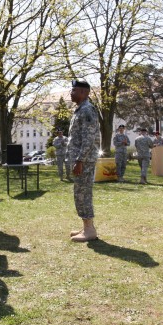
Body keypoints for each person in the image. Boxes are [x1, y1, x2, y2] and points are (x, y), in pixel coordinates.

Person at [67, 79, 100, 243]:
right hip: (81, 159)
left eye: (74, 90)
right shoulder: (80, 110)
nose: (71, 93)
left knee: (83, 194)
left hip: (84, 160)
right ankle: (87, 226)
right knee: (80, 193)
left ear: (84, 92)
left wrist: (79, 160)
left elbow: (88, 139)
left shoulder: (87, 110)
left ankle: (89, 230)